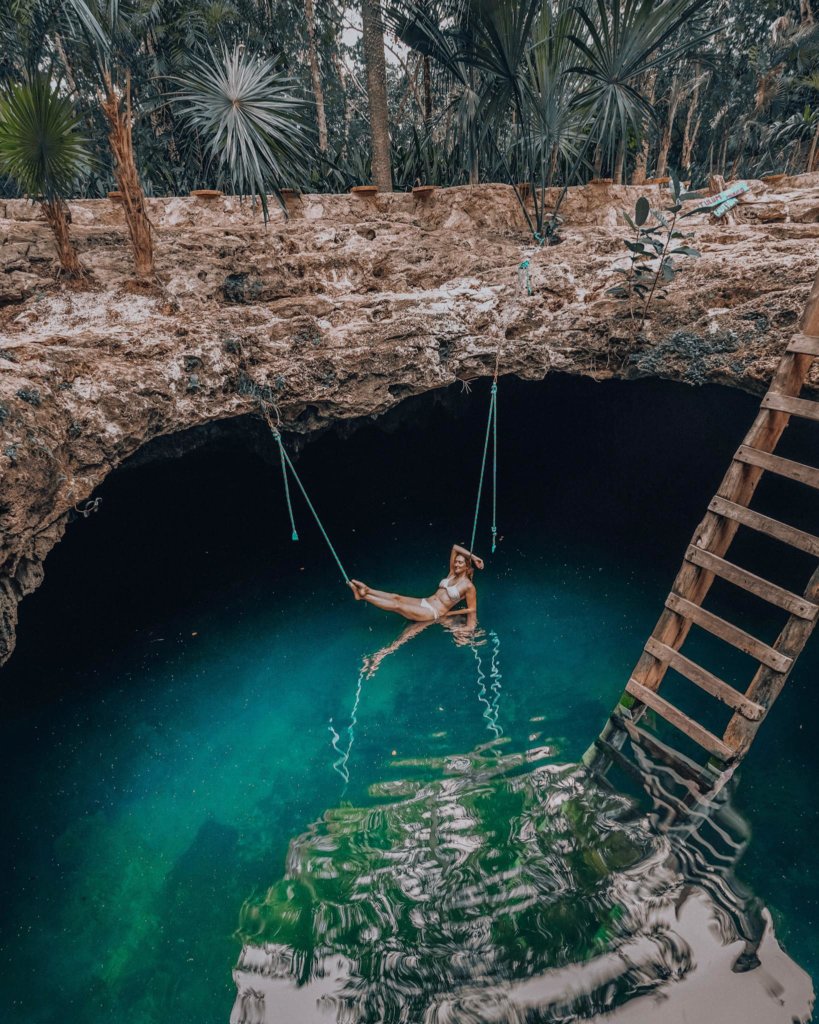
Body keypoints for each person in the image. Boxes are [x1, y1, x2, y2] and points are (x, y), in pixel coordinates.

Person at [349, 544, 483, 623]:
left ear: (467, 567)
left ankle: (363, 597)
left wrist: (448, 615)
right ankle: (368, 590)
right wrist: (475, 557)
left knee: (397, 606)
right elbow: (455, 547)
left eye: (460, 562)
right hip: (425, 601)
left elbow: (472, 609)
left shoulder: (468, 586)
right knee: (396, 597)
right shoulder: (452, 573)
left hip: (433, 612)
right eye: (456, 561)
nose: (456, 564)